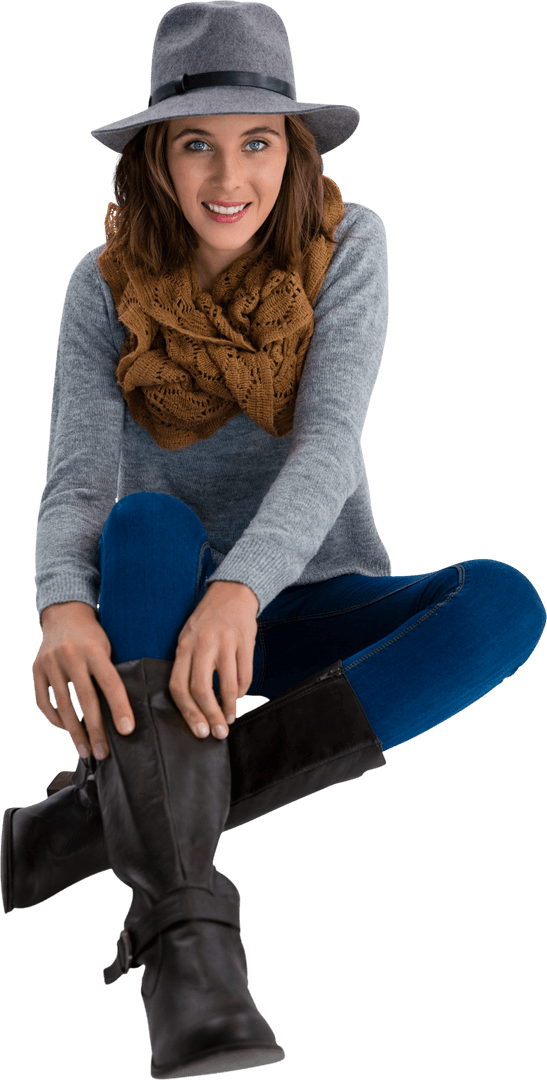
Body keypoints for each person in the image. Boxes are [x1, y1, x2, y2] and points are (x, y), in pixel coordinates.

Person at [1, 3, 545, 1078]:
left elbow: (332, 443)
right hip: (156, 608)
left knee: (504, 603)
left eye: (256, 139)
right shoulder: (98, 286)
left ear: (291, 150)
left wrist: (243, 589)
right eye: (195, 142)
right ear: (155, 158)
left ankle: (78, 829)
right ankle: (191, 958)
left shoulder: (350, 244)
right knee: (144, 520)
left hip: (293, 593)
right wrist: (62, 604)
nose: (226, 174)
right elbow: (74, 480)